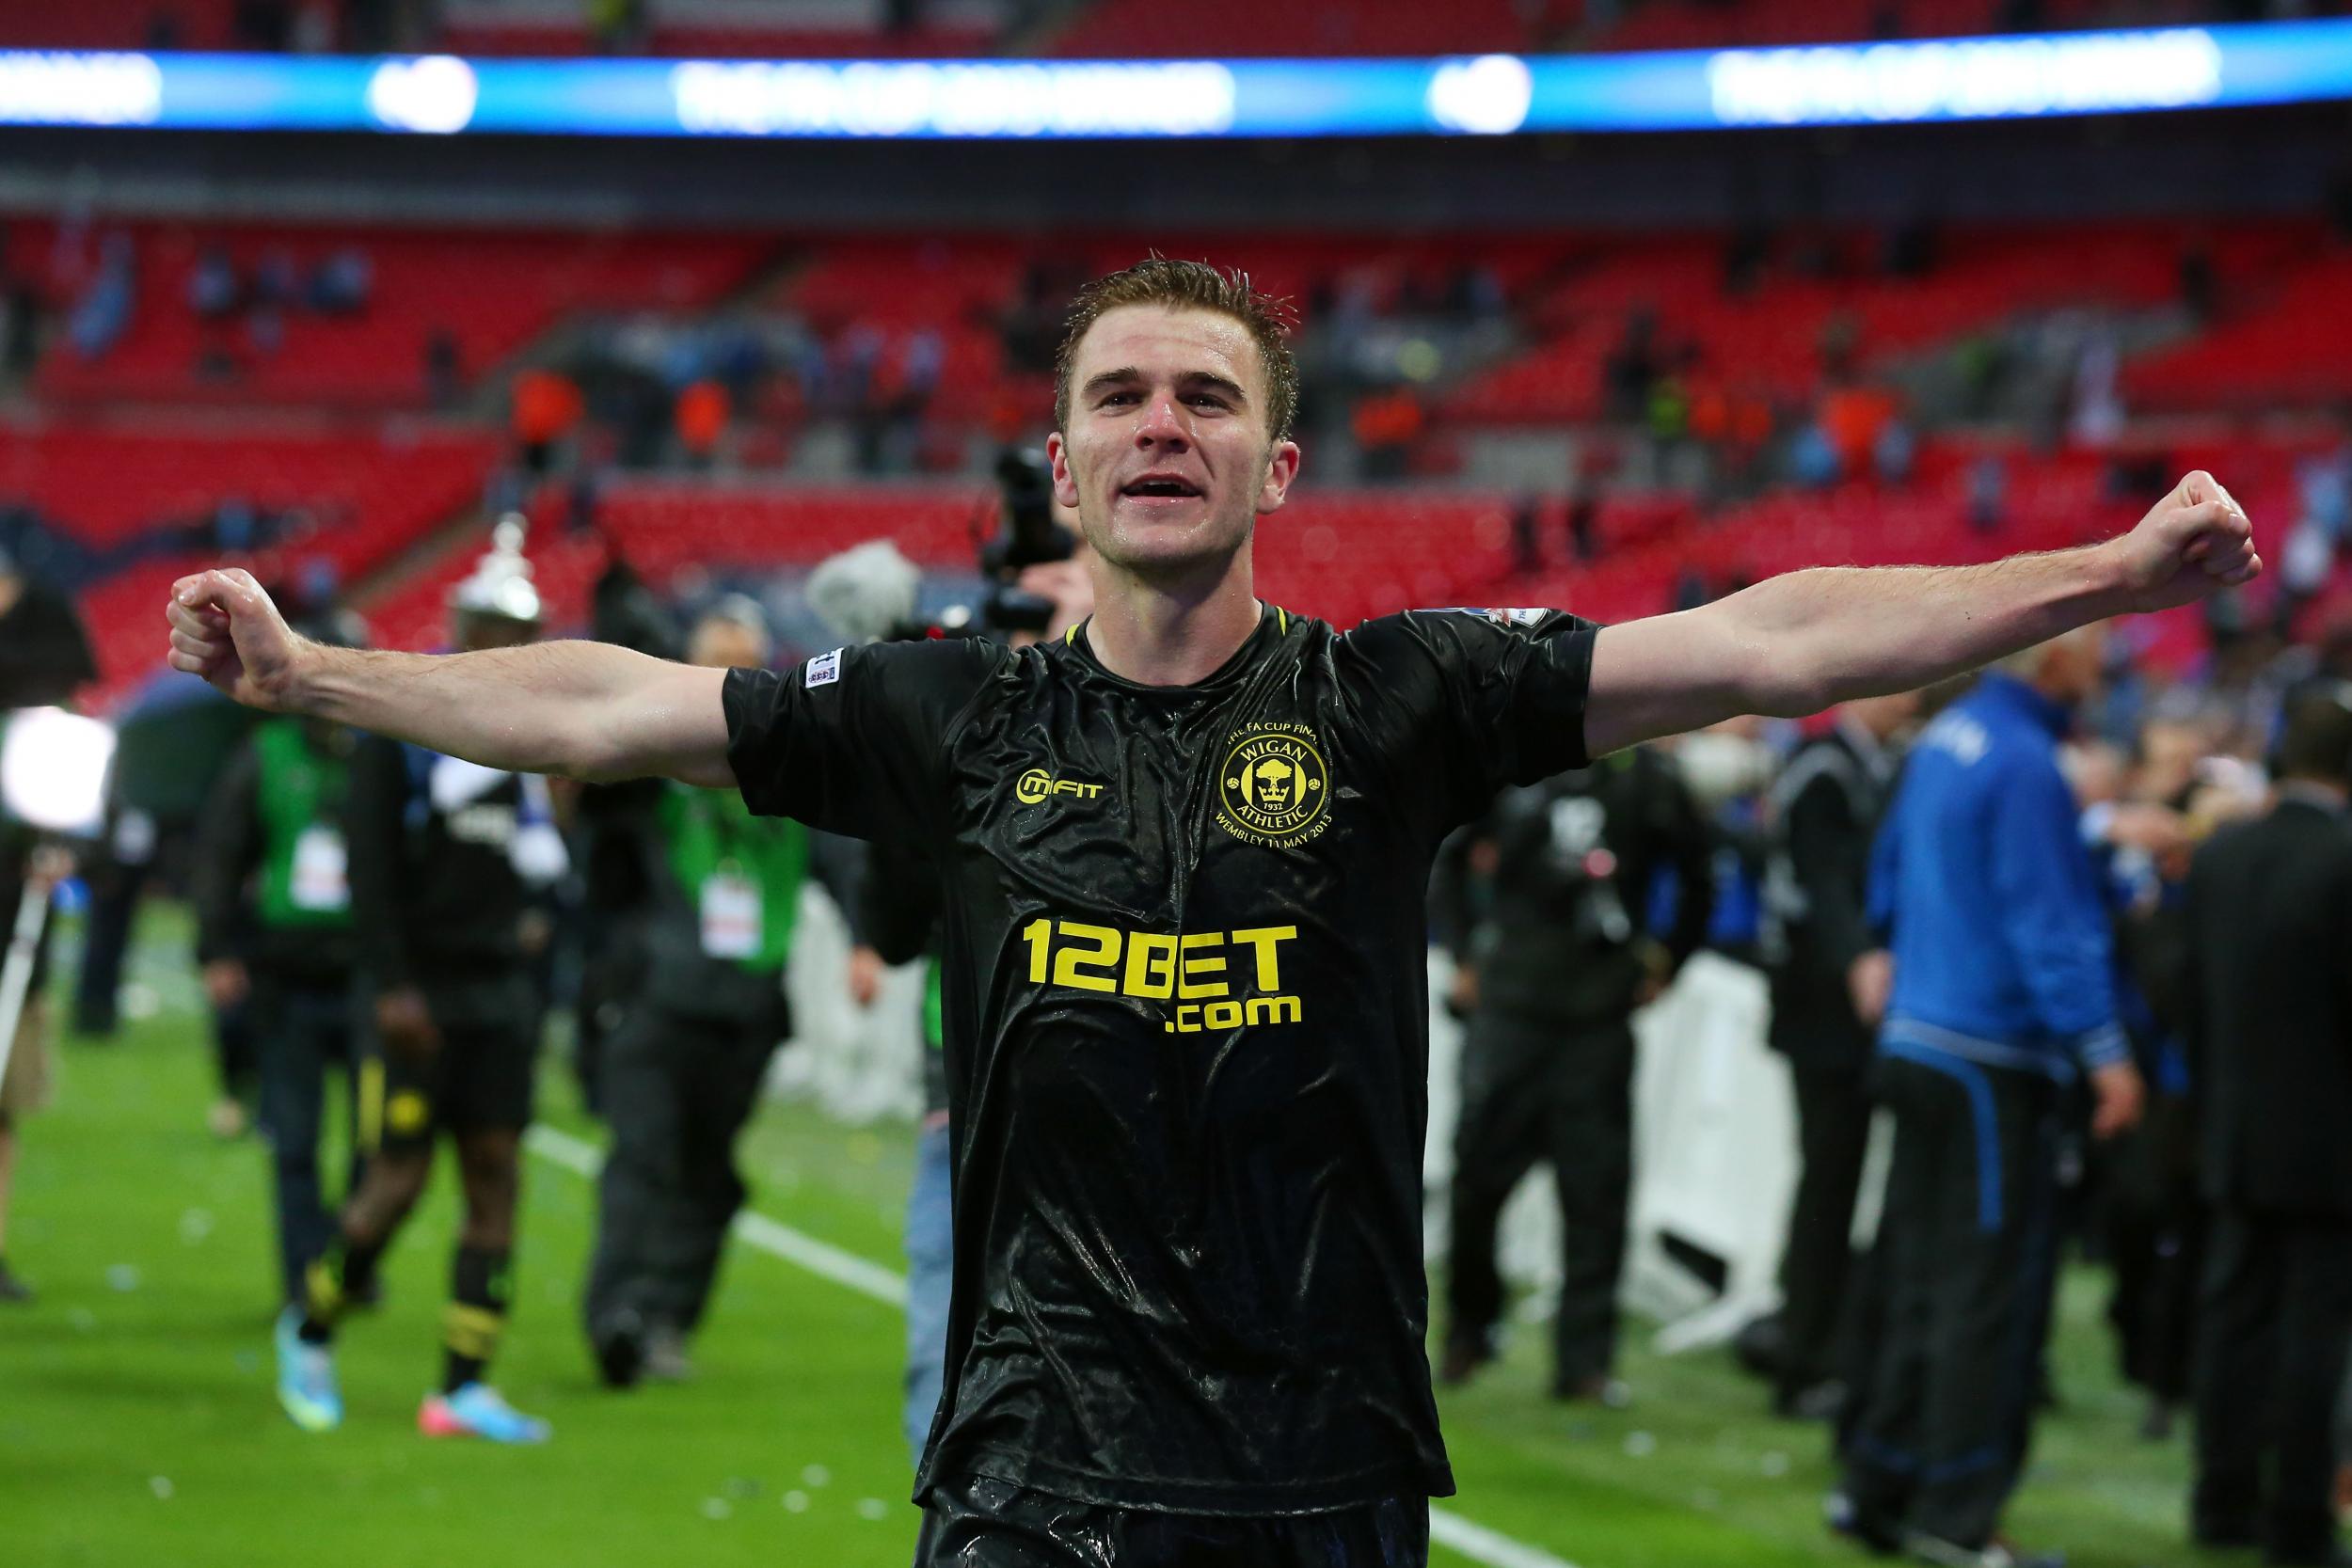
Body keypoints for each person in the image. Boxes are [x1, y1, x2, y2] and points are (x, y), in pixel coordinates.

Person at [166, 259, 2259, 1568]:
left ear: (1274, 465)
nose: (1158, 424)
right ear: (1057, 469)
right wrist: (318, 673)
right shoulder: (945, 711)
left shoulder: (1399, 696)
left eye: (1203, 400)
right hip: (1024, 1471)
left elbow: (1768, 640)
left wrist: (2091, 575)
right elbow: (612, 705)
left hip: (1325, 1461)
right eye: (1117, 399)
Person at [1839, 629, 2147, 1568]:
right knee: (1989, 1289)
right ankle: (1956, 1511)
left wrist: (1881, 945)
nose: (2102, 661)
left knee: (1916, 1272)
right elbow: (2047, 922)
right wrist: (2104, 1051)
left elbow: (1887, 868)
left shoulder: (1948, 735)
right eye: (2091, 643)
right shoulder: (2024, 760)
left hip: (1919, 1038)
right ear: (2051, 660)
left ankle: (1877, 1484)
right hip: (1988, 1054)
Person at [269, 525, 566, 1443]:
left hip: (499, 992)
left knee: (496, 1178)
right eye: (491, 623)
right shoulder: (402, 725)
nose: (505, 642)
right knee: (395, 1181)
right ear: (462, 621)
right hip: (416, 992)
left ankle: (463, 1386)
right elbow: (370, 859)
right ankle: (310, 1327)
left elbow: (539, 859)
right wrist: (391, 981)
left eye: (519, 627)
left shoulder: (535, 735)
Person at [580, 600, 821, 1386]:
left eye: (739, 664)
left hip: (746, 1006)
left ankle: (668, 1317)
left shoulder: (793, 767)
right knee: (644, 1156)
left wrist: (868, 935)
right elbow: (591, 785)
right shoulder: (652, 764)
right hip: (655, 995)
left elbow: (850, 856)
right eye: (710, 663)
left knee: (709, 1171)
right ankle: (619, 1314)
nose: (725, 680)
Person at [1439, 745, 1714, 1404]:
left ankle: (1584, 1362)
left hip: (1597, 1016)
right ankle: (1469, 1326)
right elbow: (1447, 856)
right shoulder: (1507, 762)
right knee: (1477, 1181)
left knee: (1597, 1195)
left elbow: (1701, 875)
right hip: (1512, 1010)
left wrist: (1668, 959)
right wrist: (1462, 951)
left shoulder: (1651, 781)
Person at [2181, 684, 2352, 1566]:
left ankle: (2219, 1499)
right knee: (2312, 1331)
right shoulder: (2341, 859)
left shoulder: (2222, 855)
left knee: (2232, 1317)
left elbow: (2182, 990)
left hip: (2231, 1124)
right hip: (2328, 1143)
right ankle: (2295, 1520)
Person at [191, 639, 367, 1314]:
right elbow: (220, 853)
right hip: (285, 972)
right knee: (294, 1137)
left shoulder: (384, 756)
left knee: (377, 1143)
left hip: (364, 974)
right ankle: (302, 1274)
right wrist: (217, 948)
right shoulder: (267, 756)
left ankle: (350, 1254)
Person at [1758, 690, 1918, 1421]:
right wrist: (1858, 958)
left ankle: (1815, 1342)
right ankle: (1803, 1358)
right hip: (1827, 1012)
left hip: (1841, 1005)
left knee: (1836, 1179)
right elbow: (1821, 885)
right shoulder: (1826, 770)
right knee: (1829, 1181)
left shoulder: (1866, 766)